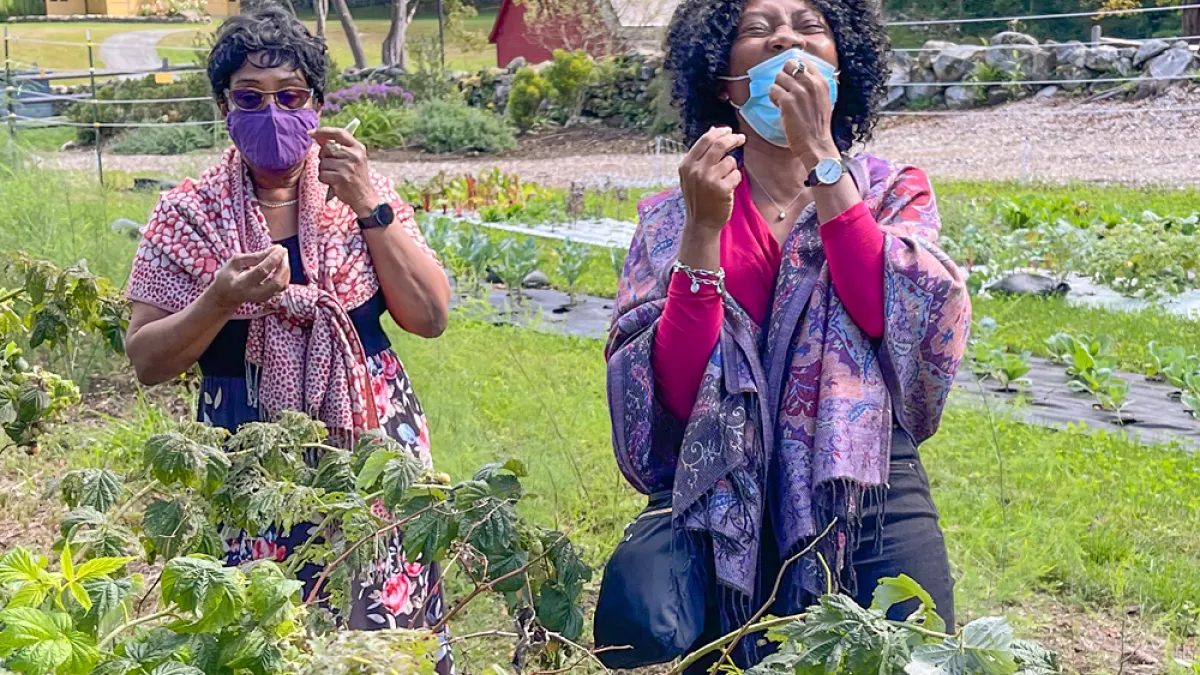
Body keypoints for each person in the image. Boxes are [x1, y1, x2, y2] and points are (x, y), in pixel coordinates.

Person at [605, 0, 971, 669]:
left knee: (911, 656)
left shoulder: (890, 192)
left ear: (840, 68)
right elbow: (673, 395)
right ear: (724, 82)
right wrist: (701, 233)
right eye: (757, 28)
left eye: (809, 27)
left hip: (863, 488)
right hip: (720, 498)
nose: (785, 37)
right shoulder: (674, 215)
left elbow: (896, 318)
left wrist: (821, 158)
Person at [123, 10, 453, 671]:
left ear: (318, 105)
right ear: (223, 107)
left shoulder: (358, 197)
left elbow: (430, 315)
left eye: (290, 96)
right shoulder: (186, 215)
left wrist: (367, 203)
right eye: (250, 97)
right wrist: (219, 300)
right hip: (246, 454)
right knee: (263, 631)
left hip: (366, 444)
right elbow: (147, 358)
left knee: (380, 628)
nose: (271, 112)